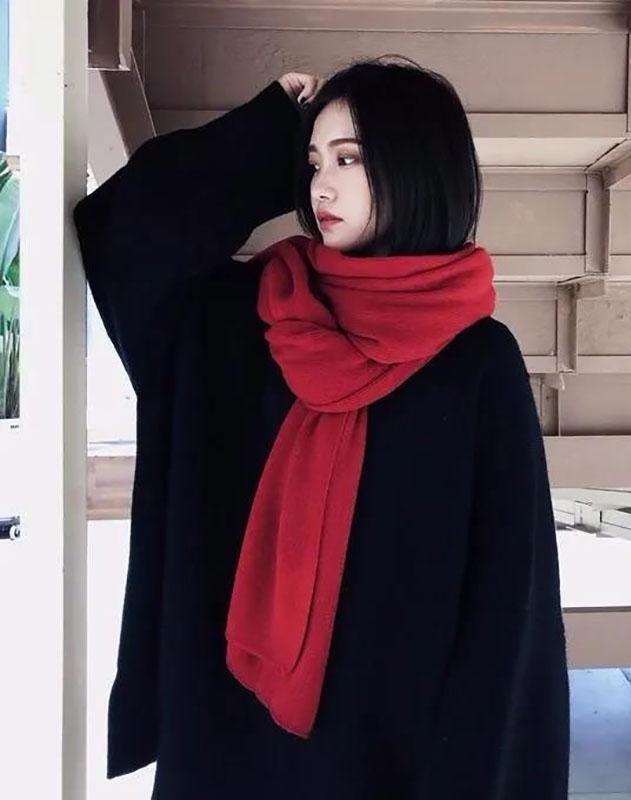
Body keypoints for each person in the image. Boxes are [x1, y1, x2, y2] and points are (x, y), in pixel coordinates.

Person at [73, 54, 570, 799]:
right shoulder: (251, 319)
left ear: (415, 166)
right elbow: (125, 230)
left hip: (393, 758)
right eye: (312, 163)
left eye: (349, 158)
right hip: (233, 739)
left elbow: (509, 607)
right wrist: (266, 132)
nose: (321, 187)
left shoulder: (475, 363)